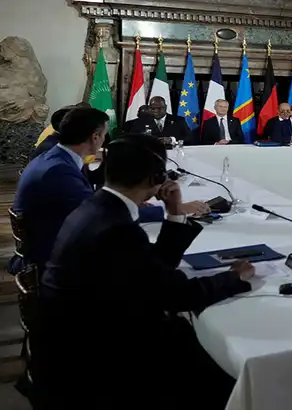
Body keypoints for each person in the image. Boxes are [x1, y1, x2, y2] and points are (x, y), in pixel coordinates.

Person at [33, 134, 255, 409]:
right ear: (156, 178)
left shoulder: (97, 207)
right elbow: (175, 296)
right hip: (92, 363)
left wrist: (174, 213)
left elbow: (151, 271)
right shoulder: (117, 229)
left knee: (187, 338)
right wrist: (233, 278)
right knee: (217, 373)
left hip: (71, 341)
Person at [9, 108, 171, 276]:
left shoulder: (58, 157)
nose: (104, 140)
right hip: (53, 257)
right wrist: (166, 211)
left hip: (49, 237)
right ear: (94, 137)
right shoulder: (58, 171)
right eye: (103, 135)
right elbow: (102, 216)